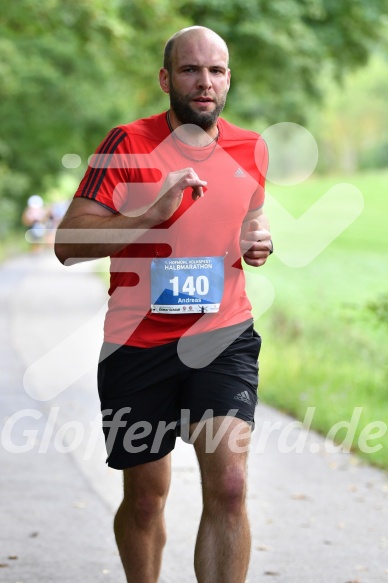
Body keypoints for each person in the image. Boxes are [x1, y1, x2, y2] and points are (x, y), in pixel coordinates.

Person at [55, 25, 272, 583]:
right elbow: (68, 244)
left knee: (229, 484)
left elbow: (248, 219)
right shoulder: (126, 143)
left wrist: (258, 240)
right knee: (147, 497)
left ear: (228, 78)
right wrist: (149, 215)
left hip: (222, 335)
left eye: (216, 71)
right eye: (190, 70)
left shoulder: (252, 148)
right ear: (165, 78)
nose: (205, 82)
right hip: (138, 344)